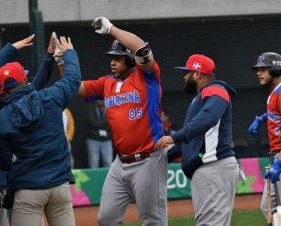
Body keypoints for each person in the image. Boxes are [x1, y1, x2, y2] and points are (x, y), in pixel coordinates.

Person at [77, 17, 167, 225]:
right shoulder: (107, 83)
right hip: (120, 163)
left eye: (117, 58)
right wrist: (63, 62)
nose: (112, 62)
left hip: (148, 159)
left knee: (152, 221)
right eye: (112, 58)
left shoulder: (147, 77)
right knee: (106, 218)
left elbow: (143, 50)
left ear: (129, 58)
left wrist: (111, 29)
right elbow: (77, 88)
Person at [0, 36, 81, 226]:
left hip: (27, 190)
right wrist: (69, 54)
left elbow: (3, 161)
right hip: (59, 185)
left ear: (2, 90)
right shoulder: (50, 97)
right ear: (24, 79)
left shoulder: (1, 118)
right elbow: (72, 79)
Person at [155, 54, 239, 226]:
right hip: (210, 168)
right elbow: (193, 140)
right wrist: (162, 155)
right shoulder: (203, 95)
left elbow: (206, 120)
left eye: (187, 72)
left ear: (198, 74)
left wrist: (173, 137)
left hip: (213, 166)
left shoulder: (216, 90)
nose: (184, 77)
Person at [0, 34, 42, 226]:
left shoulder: (0, 107)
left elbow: (33, 87)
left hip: (1, 181)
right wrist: (10, 49)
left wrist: (49, 59)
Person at [249, 52, 281, 218]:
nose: (258, 73)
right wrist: (261, 119)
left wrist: (279, 162)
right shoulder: (276, 91)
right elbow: (277, 113)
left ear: (275, 68)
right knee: (269, 209)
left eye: (263, 69)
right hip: (280, 157)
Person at [86, 100, 113, 168]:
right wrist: (105, 122)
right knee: (93, 163)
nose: (99, 101)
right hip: (93, 139)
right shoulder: (91, 108)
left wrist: (98, 124)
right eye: (97, 99)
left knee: (108, 163)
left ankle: (108, 179)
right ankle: (94, 179)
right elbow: (92, 122)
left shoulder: (110, 108)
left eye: (101, 99)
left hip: (106, 140)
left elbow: (111, 123)